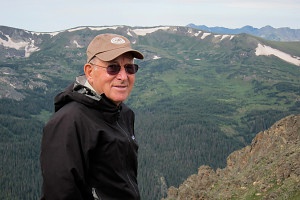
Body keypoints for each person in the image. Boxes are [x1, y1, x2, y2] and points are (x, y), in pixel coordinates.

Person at [40, 33, 144, 200]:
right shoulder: (68, 122)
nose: (123, 76)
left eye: (129, 68)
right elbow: (60, 194)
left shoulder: (124, 113)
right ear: (89, 72)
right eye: (113, 67)